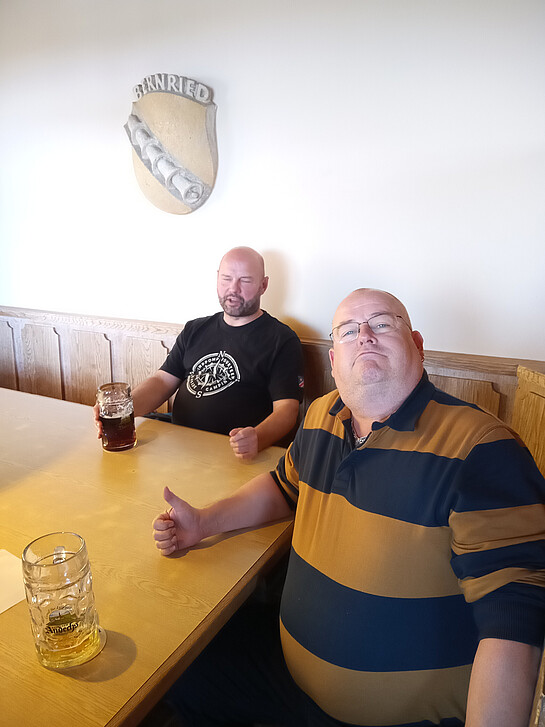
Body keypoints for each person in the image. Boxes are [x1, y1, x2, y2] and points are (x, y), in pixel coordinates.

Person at [149, 288, 545, 727]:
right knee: (175, 668)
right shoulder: (321, 414)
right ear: (334, 361)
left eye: (382, 324)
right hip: (292, 681)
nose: (366, 336)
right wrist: (203, 522)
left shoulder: (481, 448)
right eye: (349, 331)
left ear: (417, 345)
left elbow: (514, 618)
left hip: (400, 720)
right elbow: (283, 487)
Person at [95, 247, 304, 459]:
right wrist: (125, 409)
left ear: (263, 285)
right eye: (226, 279)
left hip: (233, 455)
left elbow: (287, 410)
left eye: (245, 280)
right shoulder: (195, 329)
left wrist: (258, 438)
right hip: (178, 447)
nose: (233, 288)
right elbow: (162, 381)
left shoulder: (282, 339)